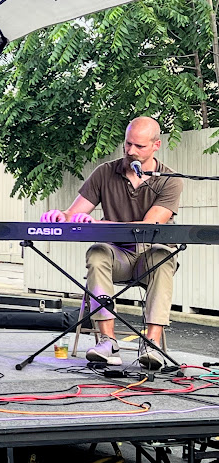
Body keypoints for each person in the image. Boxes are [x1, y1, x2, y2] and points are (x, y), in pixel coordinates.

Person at [41, 117, 183, 370]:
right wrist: (60, 217)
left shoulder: (170, 180)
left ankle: (152, 344)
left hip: (148, 256)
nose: (130, 151)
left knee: (162, 257)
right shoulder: (105, 172)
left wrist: (99, 224)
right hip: (116, 255)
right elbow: (73, 214)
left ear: (156, 145)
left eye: (139, 146)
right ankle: (108, 342)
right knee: (97, 252)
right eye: (127, 144)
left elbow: (147, 227)